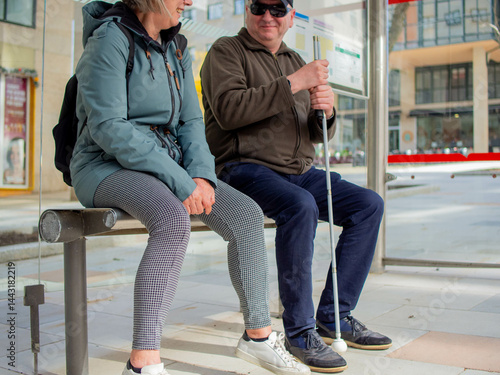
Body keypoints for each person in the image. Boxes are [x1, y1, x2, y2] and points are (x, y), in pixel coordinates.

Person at [70, 1, 310, 374]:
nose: (190, 2)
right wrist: (182, 181)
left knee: (245, 215)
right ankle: (142, 363)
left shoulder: (177, 46)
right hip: (104, 165)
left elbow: (192, 122)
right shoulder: (110, 38)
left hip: (169, 165)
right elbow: (109, 127)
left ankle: (258, 338)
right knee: (171, 219)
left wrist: (200, 175)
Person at [200, 0, 392, 372]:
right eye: (259, 7)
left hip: (298, 170)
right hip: (244, 168)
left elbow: (315, 133)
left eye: (277, 8)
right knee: (300, 205)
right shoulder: (227, 50)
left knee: (368, 204)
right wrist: (295, 83)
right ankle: (299, 331)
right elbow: (228, 110)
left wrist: (327, 111)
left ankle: (335, 317)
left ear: (290, 16)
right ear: (247, 12)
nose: (267, 16)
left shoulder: (295, 58)